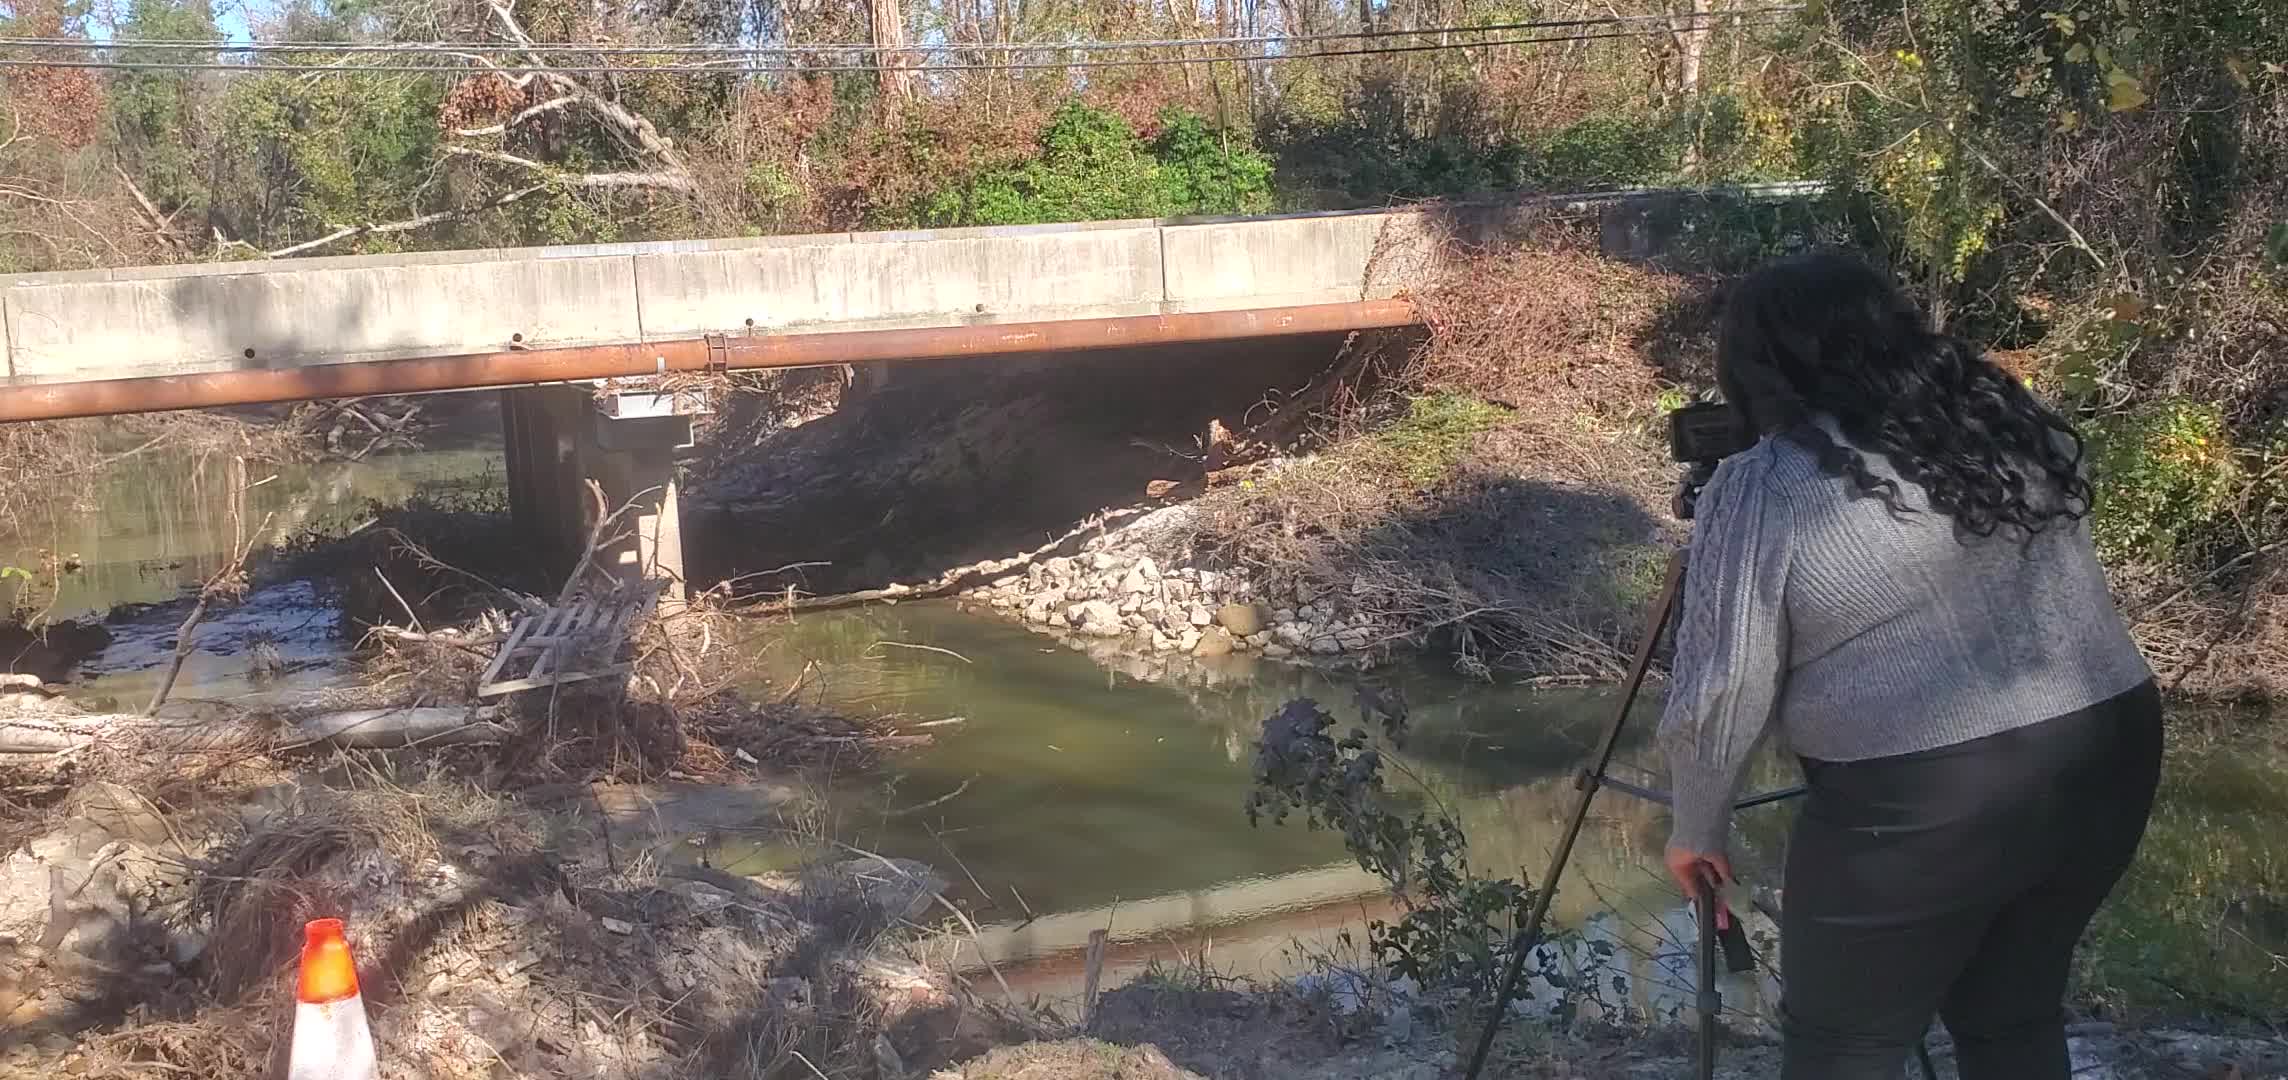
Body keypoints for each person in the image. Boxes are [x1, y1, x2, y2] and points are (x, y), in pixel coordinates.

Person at [1656, 249, 2161, 1080]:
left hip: (1921, 797)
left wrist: (1696, 824)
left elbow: (1722, 687)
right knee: (2011, 1018)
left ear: (1754, 365)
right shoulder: (1997, 422)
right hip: (2105, 747)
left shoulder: (1766, 481)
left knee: (1844, 1048)